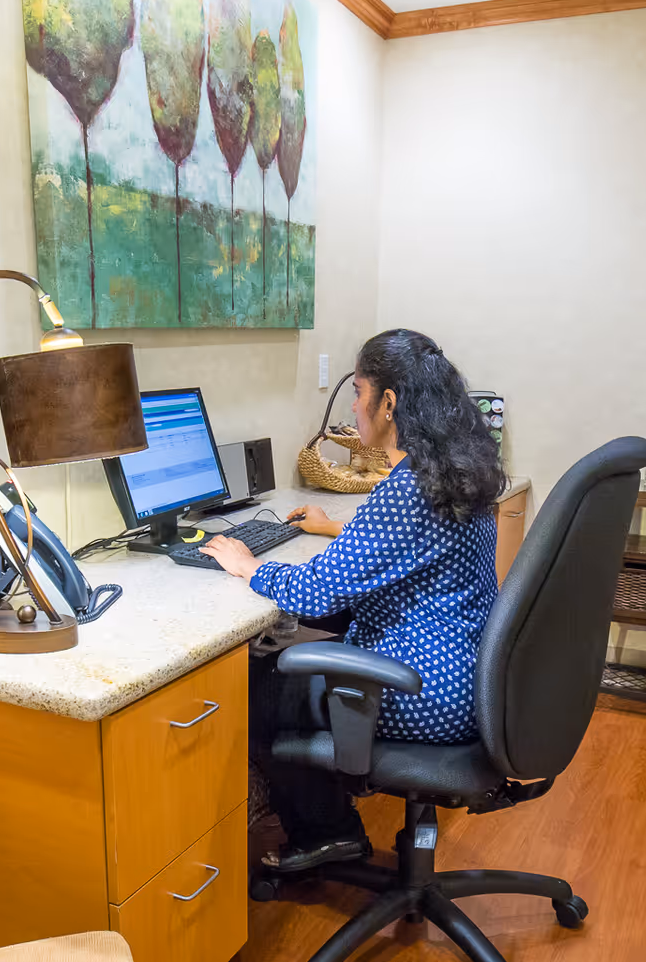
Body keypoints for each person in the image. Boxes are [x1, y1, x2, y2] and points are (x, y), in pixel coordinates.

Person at [202, 329, 505, 871]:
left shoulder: (406, 488)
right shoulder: (454, 472)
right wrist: (336, 529)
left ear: (388, 403)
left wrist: (250, 565)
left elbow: (314, 591)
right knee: (299, 656)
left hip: (422, 693)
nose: (353, 405)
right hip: (469, 675)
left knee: (257, 685)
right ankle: (331, 812)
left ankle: (328, 832)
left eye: (359, 391)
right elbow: (411, 547)